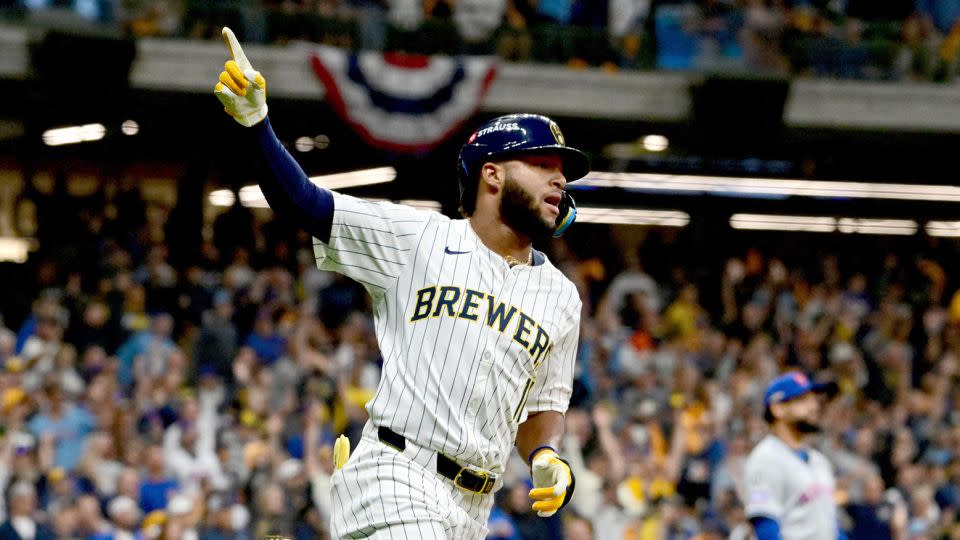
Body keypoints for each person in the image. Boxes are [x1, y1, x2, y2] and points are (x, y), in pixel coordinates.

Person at [213, 27, 585, 538]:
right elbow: (306, 202)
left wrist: (547, 456)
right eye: (542, 164)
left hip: (475, 506)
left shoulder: (562, 297)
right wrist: (257, 125)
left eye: (561, 170)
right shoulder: (418, 238)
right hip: (399, 470)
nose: (559, 179)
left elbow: (543, 407)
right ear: (492, 175)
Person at [743, 372, 846, 540]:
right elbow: (766, 527)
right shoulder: (765, 459)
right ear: (778, 409)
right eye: (802, 400)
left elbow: (831, 527)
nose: (814, 406)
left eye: (813, 399)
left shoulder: (820, 461)